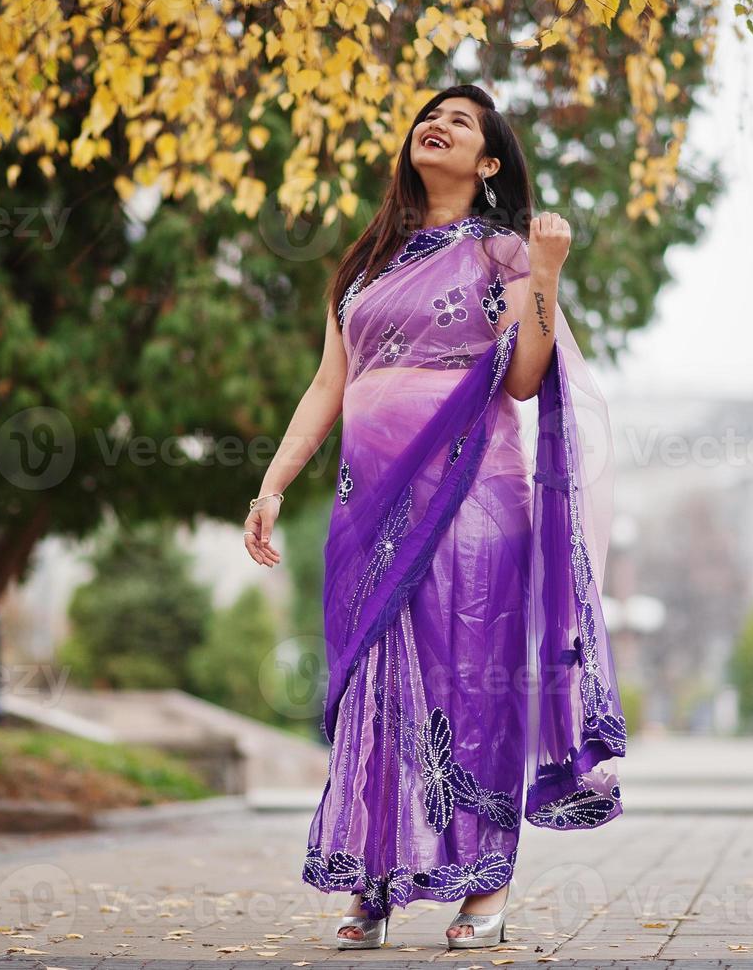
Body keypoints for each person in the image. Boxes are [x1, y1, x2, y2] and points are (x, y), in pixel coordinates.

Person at [242, 83, 627, 951]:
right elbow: (326, 386)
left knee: (468, 677)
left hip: (473, 496)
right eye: (430, 115)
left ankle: (483, 888)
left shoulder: (500, 252)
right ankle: (376, 880)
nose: (437, 125)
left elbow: (525, 378)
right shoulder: (366, 262)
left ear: (487, 162)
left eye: (460, 122)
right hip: (366, 502)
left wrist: (548, 272)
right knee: (374, 682)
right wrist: (270, 485)